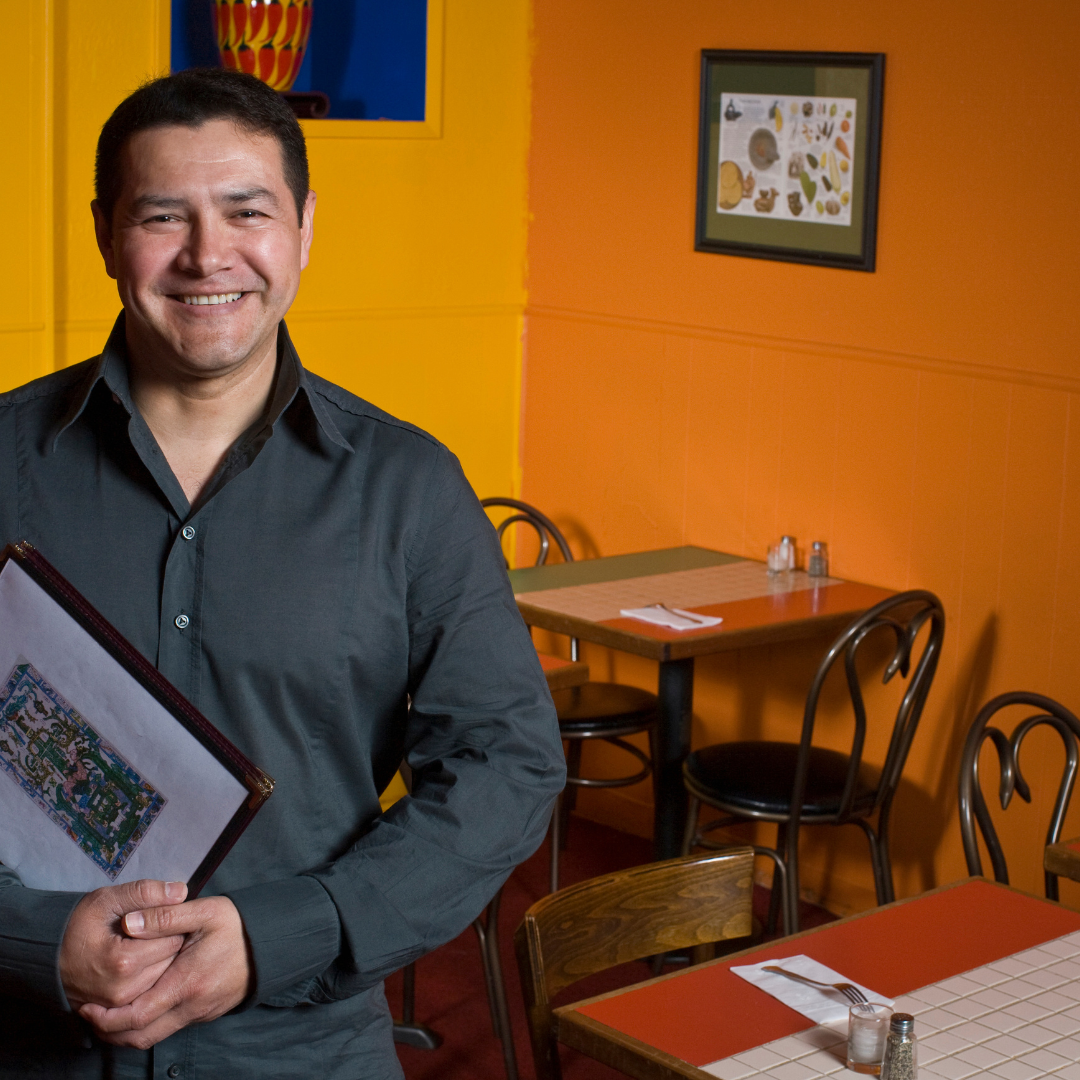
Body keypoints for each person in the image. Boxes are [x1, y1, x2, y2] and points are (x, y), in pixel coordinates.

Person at [0, 68, 565, 1079]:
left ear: (302, 227)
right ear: (103, 235)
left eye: (246, 211)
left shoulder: (409, 489)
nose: (208, 255)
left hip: (305, 1050)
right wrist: (29, 936)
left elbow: (505, 764)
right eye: (162, 215)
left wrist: (289, 932)